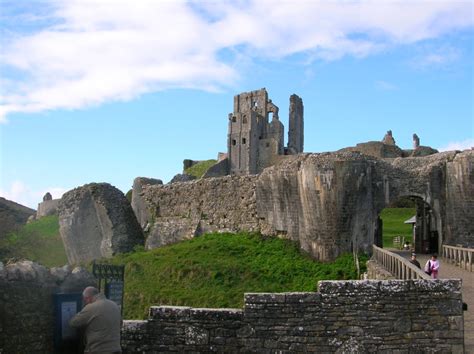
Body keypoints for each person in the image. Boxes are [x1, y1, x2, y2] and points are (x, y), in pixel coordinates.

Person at [70, 286, 122, 354]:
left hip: (98, 350)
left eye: (85, 300)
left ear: (87, 298)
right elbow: (120, 323)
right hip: (116, 350)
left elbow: (73, 322)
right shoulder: (114, 305)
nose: (85, 302)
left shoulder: (91, 307)